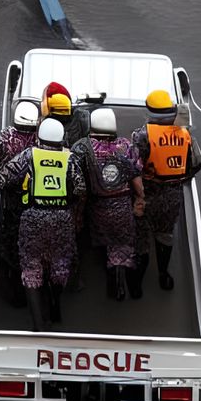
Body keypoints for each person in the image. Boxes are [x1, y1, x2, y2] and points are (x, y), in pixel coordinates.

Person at [0, 115, 84, 329]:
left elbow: (4, 176)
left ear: (40, 137)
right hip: (62, 218)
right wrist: (68, 206)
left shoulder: (29, 155)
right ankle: (55, 308)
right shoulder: (70, 158)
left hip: (33, 218)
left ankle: (38, 324)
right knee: (59, 265)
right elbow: (80, 188)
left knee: (31, 267)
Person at [132, 89, 201, 296]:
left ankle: (137, 286)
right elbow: (198, 162)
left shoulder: (142, 135)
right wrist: (181, 179)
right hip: (172, 196)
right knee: (165, 235)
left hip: (147, 196)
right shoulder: (185, 134)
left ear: (150, 112)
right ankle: (164, 275)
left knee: (142, 238)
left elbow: (133, 167)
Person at [73, 107, 146, 300]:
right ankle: (125, 285)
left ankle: (113, 285)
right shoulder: (125, 146)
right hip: (122, 205)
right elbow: (136, 178)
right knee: (122, 246)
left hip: (97, 207)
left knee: (104, 242)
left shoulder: (82, 148)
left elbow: (76, 180)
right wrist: (140, 199)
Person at [0, 99, 39, 305]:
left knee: (11, 242)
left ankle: (14, 287)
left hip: (12, 199)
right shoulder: (41, 139)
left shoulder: (5, 138)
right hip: (36, 198)